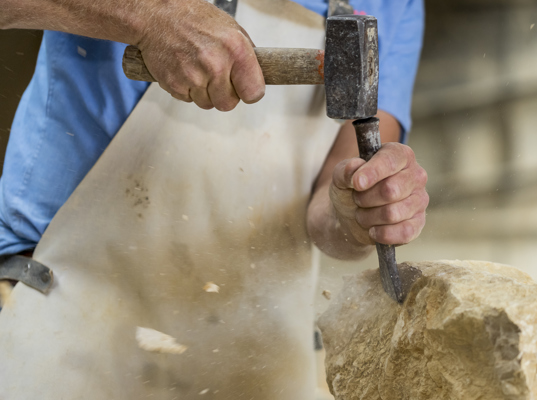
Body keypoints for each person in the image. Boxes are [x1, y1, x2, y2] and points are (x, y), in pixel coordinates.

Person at [0, 0, 427, 398]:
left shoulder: (397, 6)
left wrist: (357, 210)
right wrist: (150, 16)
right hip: (64, 322)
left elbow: (330, 213)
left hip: (255, 362)